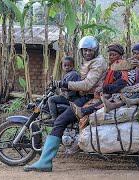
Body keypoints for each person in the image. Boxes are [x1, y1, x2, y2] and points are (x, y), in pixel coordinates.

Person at [24, 36, 108, 172]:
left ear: (96, 50)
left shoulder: (98, 63)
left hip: (90, 98)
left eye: (90, 50)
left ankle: (45, 162)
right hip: (83, 96)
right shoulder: (91, 62)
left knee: (60, 121)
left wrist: (64, 83)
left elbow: (87, 84)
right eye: (84, 50)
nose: (87, 53)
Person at [70, 43, 128, 119]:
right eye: (110, 55)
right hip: (104, 93)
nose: (111, 57)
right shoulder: (111, 67)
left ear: (120, 56)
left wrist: (104, 88)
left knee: (101, 104)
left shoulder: (121, 68)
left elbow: (121, 82)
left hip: (114, 94)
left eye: (114, 55)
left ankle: (83, 111)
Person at [101, 43, 139, 112]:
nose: (134, 56)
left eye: (137, 54)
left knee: (119, 95)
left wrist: (125, 89)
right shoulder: (138, 63)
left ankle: (113, 105)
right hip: (131, 87)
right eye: (133, 54)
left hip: (136, 90)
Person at [47, 56, 80, 122]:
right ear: (62, 66)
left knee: (51, 99)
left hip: (70, 98)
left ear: (73, 65)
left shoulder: (73, 74)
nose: (67, 67)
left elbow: (68, 86)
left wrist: (59, 86)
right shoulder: (68, 74)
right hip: (68, 97)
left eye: (69, 65)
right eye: (65, 65)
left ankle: (54, 118)